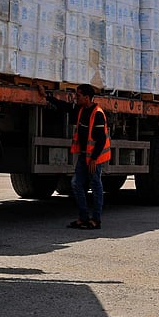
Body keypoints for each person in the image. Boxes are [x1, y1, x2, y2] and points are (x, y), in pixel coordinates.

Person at [38, 83, 111, 230]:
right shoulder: (80, 109)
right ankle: (83, 217)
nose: (76, 97)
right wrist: (47, 96)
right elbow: (64, 106)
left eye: (78, 95)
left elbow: (101, 139)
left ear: (87, 97)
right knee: (76, 184)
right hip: (84, 156)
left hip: (94, 158)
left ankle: (96, 220)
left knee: (96, 186)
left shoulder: (97, 114)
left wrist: (94, 159)